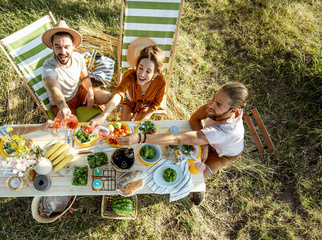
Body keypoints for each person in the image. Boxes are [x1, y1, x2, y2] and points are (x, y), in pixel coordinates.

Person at [117, 82, 249, 180]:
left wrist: (141, 138)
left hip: (224, 154)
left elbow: (178, 139)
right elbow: (195, 118)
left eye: (218, 104)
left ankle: (196, 194)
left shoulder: (224, 131)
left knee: (191, 177)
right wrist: (204, 145)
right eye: (213, 98)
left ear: (234, 111)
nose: (211, 105)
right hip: (209, 139)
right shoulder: (223, 108)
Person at [41, 20, 111, 121]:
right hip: (61, 103)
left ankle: (95, 103)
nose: (63, 52)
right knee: (71, 125)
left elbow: (84, 78)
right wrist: (63, 105)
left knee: (107, 97)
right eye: (58, 47)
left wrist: (90, 91)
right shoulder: (48, 68)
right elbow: (55, 90)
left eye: (66, 47)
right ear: (52, 46)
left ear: (73, 45)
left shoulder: (78, 58)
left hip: (78, 92)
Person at [90, 40, 166, 128]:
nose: (142, 74)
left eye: (148, 71)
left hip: (146, 105)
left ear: (155, 73)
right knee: (124, 127)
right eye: (140, 68)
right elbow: (118, 95)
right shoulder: (130, 75)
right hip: (130, 101)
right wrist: (102, 117)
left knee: (138, 127)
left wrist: (145, 117)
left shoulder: (160, 81)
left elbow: (156, 103)